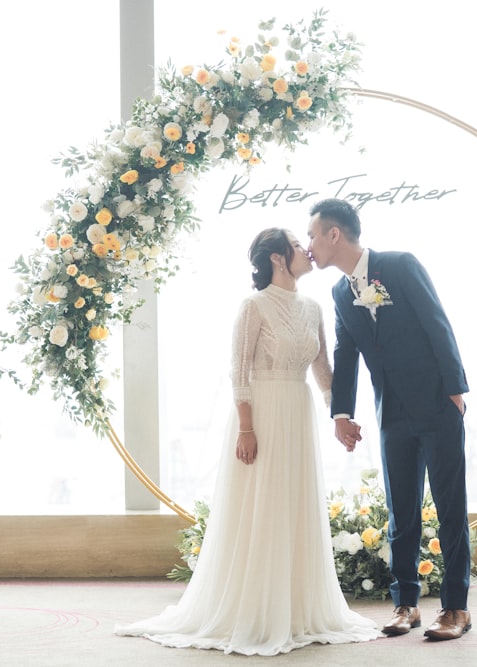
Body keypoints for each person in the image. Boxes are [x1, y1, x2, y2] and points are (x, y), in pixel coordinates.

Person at [116, 228, 380, 656]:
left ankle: (295, 608)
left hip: (298, 411)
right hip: (261, 414)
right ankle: (254, 608)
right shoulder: (253, 306)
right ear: (278, 258)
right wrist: (245, 427)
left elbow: (322, 369)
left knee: (294, 504)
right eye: (298, 246)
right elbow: (239, 371)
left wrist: (340, 417)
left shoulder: (313, 307)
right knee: (261, 505)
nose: (306, 251)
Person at [306, 198, 473, 641]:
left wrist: (455, 390)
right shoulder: (341, 293)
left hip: (438, 405)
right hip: (392, 414)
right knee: (402, 510)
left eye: (312, 236)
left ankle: (456, 609)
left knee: (450, 507)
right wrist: (341, 412)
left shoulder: (400, 265)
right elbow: (346, 355)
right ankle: (406, 604)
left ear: (334, 234)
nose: (309, 246)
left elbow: (438, 323)